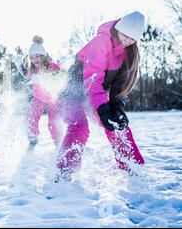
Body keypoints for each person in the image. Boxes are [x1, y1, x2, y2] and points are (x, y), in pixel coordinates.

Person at [56, 11, 146, 181]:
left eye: (132, 38)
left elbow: (119, 89)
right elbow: (92, 80)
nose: (127, 40)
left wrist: (116, 111)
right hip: (72, 95)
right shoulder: (101, 42)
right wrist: (103, 110)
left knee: (117, 124)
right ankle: (64, 172)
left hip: (93, 96)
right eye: (125, 35)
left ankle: (132, 167)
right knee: (80, 127)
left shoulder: (127, 54)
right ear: (118, 28)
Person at [14, 36, 63, 146]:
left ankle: (57, 141)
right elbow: (26, 74)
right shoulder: (33, 70)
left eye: (37, 56)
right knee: (30, 116)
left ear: (43, 56)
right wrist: (19, 64)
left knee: (53, 122)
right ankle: (32, 138)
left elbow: (56, 77)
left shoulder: (52, 66)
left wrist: (45, 79)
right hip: (39, 99)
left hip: (53, 100)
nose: (35, 60)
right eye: (32, 57)